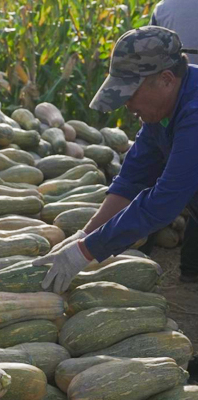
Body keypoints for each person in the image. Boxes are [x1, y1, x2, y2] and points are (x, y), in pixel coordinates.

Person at [34, 25, 198, 293]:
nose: (127, 105)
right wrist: (83, 236)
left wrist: (85, 252)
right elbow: (132, 179)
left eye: (130, 93)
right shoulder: (162, 108)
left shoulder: (195, 113)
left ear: (167, 79)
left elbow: (164, 200)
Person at [149, 0, 198, 281]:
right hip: (187, 100)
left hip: (167, 104)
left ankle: (147, 256)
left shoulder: (169, 5)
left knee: (163, 178)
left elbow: (146, 57)